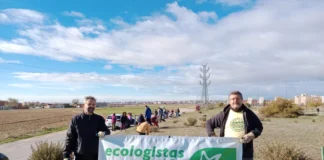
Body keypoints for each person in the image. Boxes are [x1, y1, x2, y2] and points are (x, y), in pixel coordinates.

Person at [206, 91, 263, 160]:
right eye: (233, 99)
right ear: (229, 101)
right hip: (226, 151)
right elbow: (209, 123)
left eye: (238, 98)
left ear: (242, 100)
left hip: (245, 153)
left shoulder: (249, 114)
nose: (235, 101)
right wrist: (212, 135)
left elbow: (259, 127)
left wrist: (250, 136)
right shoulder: (224, 114)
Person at [63, 96, 110, 160]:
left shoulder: (99, 119)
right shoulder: (76, 119)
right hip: (80, 155)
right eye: (89, 104)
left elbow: (107, 132)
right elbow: (70, 137)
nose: (91, 106)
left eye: (93, 104)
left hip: (96, 155)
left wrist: (104, 133)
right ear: (83, 105)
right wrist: (66, 154)